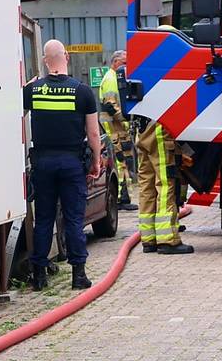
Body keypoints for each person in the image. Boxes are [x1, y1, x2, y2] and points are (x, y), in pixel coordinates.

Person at [23, 40, 101, 290]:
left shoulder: (34, 90)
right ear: (66, 56)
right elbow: (94, 134)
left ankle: (39, 276)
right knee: (73, 219)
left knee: (44, 218)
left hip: (43, 163)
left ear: (46, 61)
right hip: (71, 163)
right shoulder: (83, 91)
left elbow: (13, 114)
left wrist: (24, 89)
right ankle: (78, 276)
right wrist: (96, 161)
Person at [135, 119, 194, 254]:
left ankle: (149, 239)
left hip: (143, 129)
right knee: (165, 184)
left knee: (147, 186)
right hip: (159, 129)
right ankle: (168, 240)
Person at [98, 50, 137, 211]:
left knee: (125, 161)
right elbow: (111, 106)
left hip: (119, 127)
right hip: (114, 127)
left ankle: (124, 196)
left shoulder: (117, 77)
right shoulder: (110, 79)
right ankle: (121, 198)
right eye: (124, 63)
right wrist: (127, 121)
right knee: (120, 161)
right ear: (115, 63)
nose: (126, 66)